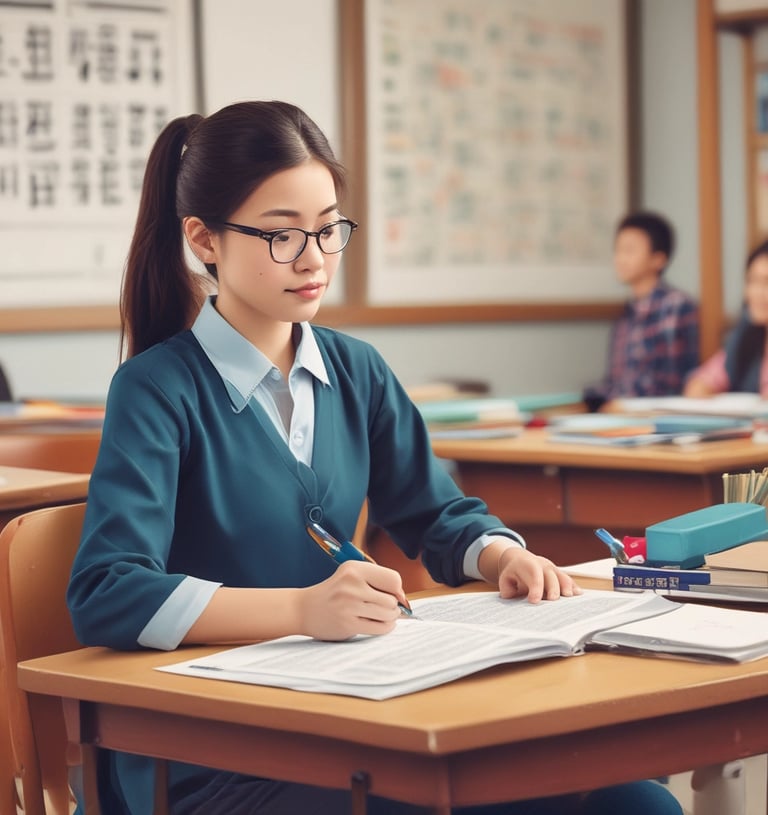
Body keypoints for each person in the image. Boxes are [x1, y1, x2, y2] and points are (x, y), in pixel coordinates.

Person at [66, 101, 683, 815]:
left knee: (633, 802)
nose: (314, 258)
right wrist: (300, 609)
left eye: (329, 229)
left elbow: (438, 511)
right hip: (218, 753)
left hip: (355, 716)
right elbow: (107, 591)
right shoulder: (156, 388)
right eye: (281, 235)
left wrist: (500, 557)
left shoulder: (356, 371)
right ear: (204, 239)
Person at [583, 211, 700, 410]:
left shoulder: (676, 305)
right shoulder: (626, 315)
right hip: (620, 413)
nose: (620, 259)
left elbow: (673, 383)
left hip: (657, 415)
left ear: (658, 259)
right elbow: (615, 379)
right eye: (618, 250)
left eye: (629, 251)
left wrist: (617, 402)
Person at [684, 239, 768, 396]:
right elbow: (701, 381)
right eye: (752, 281)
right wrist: (702, 387)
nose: (757, 293)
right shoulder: (747, 334)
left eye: (767, 282)